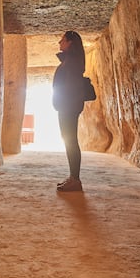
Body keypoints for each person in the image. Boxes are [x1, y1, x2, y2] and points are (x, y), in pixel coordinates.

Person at [52, 30, 85, 192]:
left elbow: (70, 86)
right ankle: (73, 177)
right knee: (69, 140)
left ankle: (75, 179)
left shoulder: (72, 61)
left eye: (62, 40)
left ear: (70, 42)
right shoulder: (71, 60)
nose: (60, 43)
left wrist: (64, 103)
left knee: (70, 141)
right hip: (68, 106)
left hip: (68, 107)